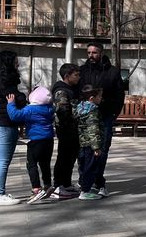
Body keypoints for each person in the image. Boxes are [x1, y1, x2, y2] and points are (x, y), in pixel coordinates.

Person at [79, 42, 124, 198]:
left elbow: (119, 95)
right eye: (89, 52)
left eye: (95, 52)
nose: (91, 55)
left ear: (101, 53)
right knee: (84, 151)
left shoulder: (112, 72)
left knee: (101, 150)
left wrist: (114, 113)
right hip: (85, 118)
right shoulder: (82, 71)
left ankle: (98, 182)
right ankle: (85, 182)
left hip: (105, 116)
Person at [0, 50, 27, 206]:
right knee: (3, 161)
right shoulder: (6, 80)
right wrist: (22, 96)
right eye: (16, 62)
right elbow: (17, 99)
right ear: (8, 63)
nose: (18, 65)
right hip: (6, 124)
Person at [7, 86, 56, 204]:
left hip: (36, 140)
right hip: (49, 140)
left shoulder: (30, 110)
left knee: (32, 164)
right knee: (45, 163)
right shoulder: (50, 108)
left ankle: (36, 188)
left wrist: (11, 104)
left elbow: (15, 116)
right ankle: (48, 185)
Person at [51, 64, 81, 199]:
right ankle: (58, 185)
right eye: (76, 75)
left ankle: (66, 183)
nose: (78, 77)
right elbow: (62, 111)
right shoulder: (61, 91)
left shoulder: (71, 89)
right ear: (67, 76)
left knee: (71, 157)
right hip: (66, 129)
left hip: (73, 129)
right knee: (64, 157)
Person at [75, 85, 105, 201]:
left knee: (83, 166)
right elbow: (93, 129)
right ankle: (85, 191)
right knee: (90, 167)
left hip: (82, 143)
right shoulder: (93, 111)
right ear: (92, 98)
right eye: (99, 97)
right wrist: (96, 147)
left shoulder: (80, 108)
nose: (101, 99)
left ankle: (83, 185)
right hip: (90, 144)